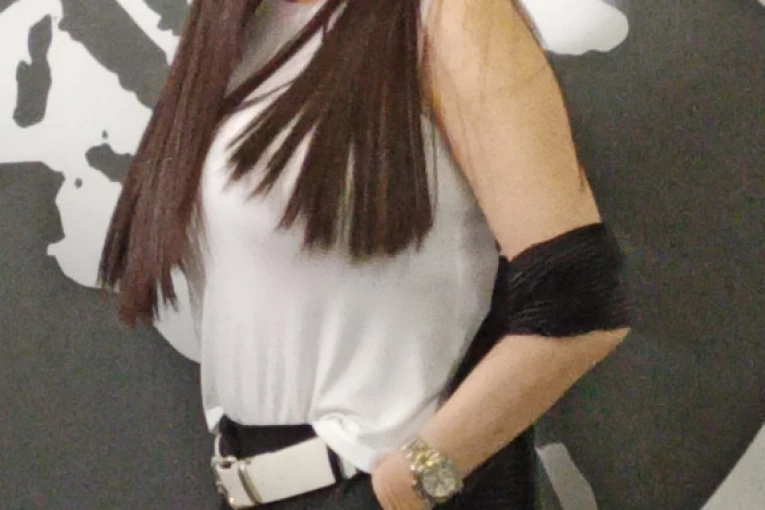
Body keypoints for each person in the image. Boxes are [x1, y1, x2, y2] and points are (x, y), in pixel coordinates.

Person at [99, 0, 632, 508]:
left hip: (376, 485)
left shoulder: (448, 15)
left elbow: (579, 301)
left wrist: (405, 487)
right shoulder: (243, 24)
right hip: (253, 482)